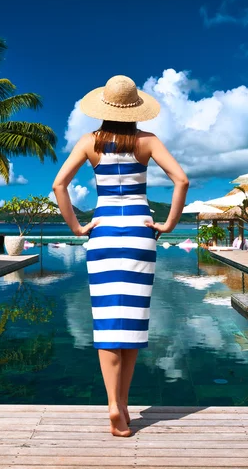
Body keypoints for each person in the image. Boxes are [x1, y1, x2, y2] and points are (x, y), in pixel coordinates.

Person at [52, 75, 189, 437]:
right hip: (140, 237)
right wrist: (170, 224)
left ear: (104, 107)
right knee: (132, 322)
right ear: (134, 109)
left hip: (104, 236)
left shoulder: (88, 142)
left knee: (108, 322)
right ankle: (123, 405)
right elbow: (182, 180)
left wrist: (77, 228)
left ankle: (115, 405)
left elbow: (58, 185)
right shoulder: (147, 141)